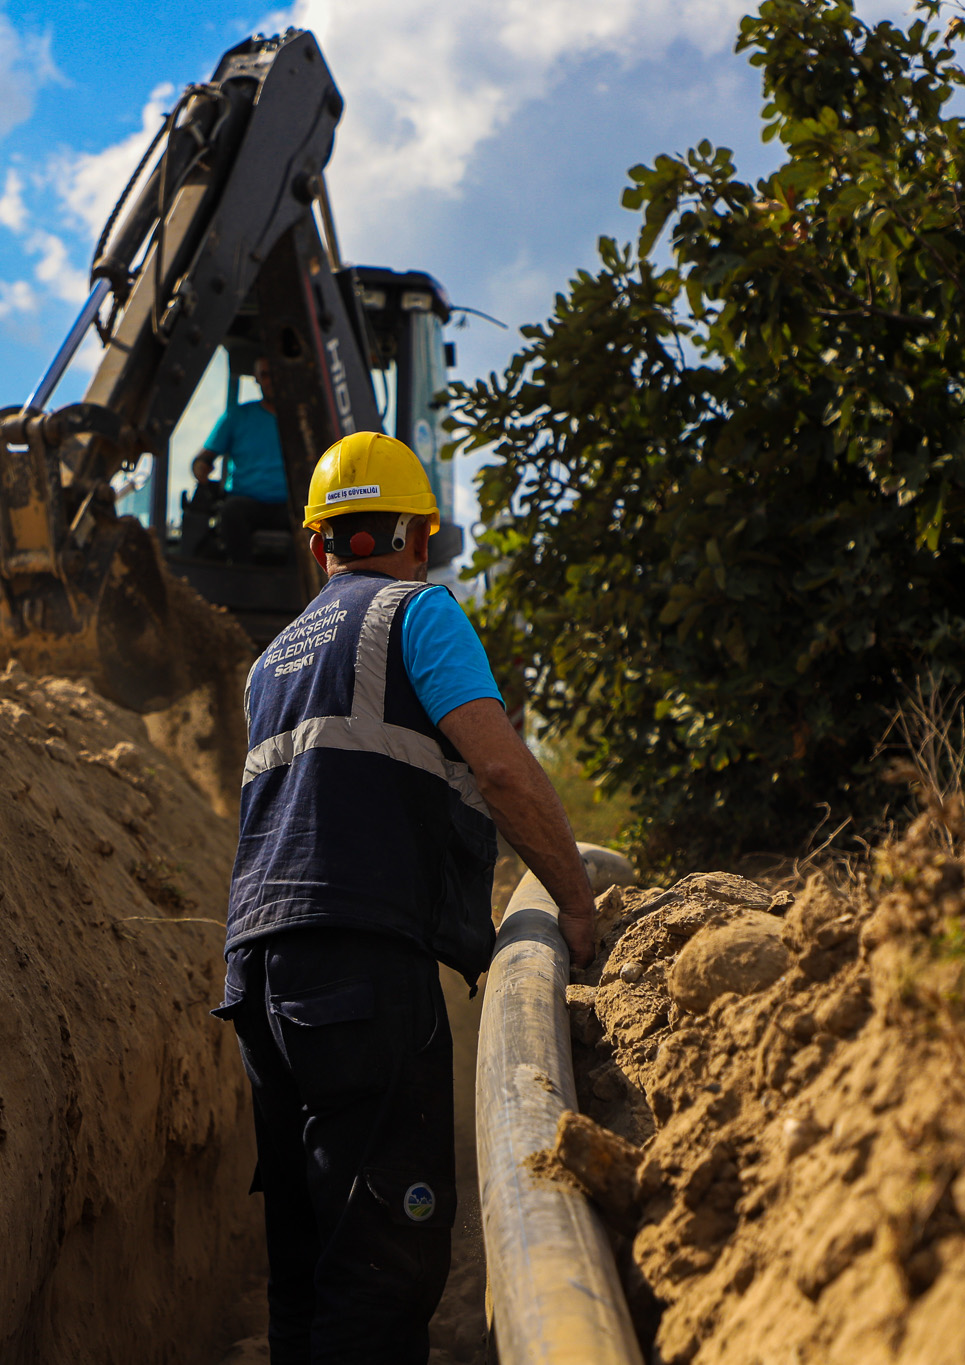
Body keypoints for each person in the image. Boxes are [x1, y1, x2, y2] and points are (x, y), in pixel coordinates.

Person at [212, 430, 597, 1364]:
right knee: (383, 1267)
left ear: (318, 545)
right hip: (359, 972)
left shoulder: (271, 660)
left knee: (306, 1269)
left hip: (260, 977)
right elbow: (500, 769)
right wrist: (577, 905)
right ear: (417, 536)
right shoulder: (415, 612)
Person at [190, 355, 290, 563]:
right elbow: (204, 457)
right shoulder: (237, 417)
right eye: (265, 375)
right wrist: (201, 467)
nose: (271, 380)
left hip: (288, 505)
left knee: (314, 519)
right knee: (231, 512)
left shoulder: (300, 419)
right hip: (247, 503)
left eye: (275, 374)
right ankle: (242, 578)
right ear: (257, 379)